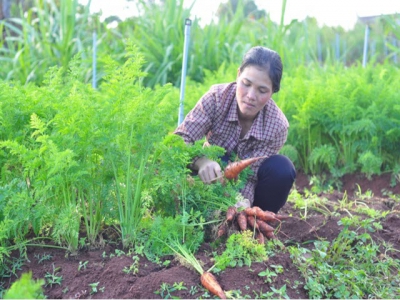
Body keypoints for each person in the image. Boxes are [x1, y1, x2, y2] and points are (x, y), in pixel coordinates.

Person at [174, 46, 296, 214]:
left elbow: (249, 177)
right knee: (218, 157)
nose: (251, 96)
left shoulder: (277, 126)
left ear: (273, 91)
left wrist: (241, 203)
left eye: (262, 90)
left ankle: (256, 222)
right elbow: (180, 139)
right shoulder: (216, 98)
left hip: (248, 192)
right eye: (246, 84)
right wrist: (201, 161)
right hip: (210, 175)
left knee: (282, 169)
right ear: (238, 75)